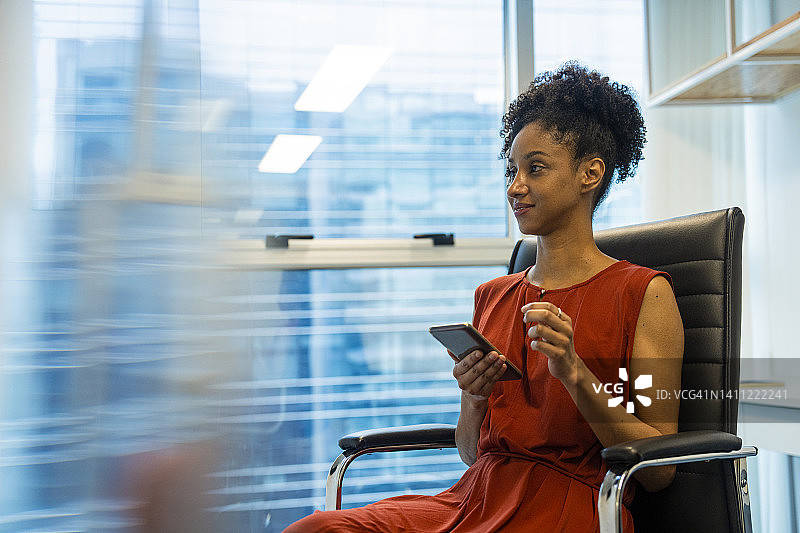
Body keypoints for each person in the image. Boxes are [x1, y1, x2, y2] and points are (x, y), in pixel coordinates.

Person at [284, 62, 684, 532]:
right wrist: (473, 399)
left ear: (590, 173)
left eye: (535, 168)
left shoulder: (644, 294)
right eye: (512, 170)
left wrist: (575, 374)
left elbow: (659, 471)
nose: (515, 187)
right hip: (474, 498)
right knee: (314, 529)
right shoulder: (492, 296)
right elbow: (474, 453)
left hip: (567, 506)